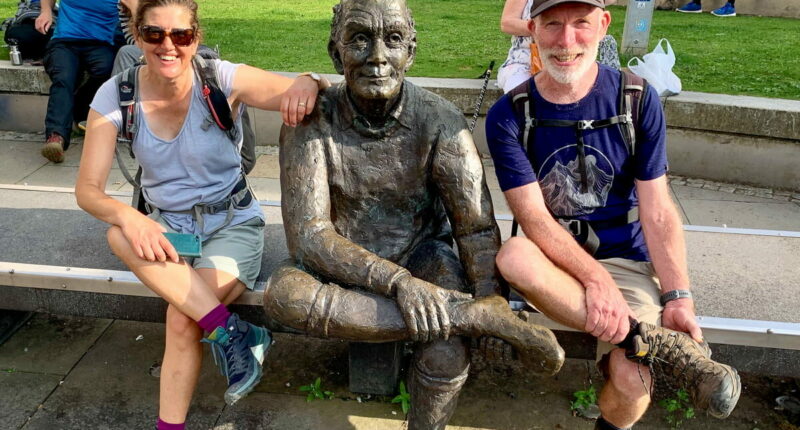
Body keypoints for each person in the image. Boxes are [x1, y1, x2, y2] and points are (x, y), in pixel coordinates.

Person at [263, 0, 565, 428]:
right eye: (360, 39)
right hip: (342, 266)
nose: (378, 57)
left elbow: (476, 228)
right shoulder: (310, 120)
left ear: (411, 51)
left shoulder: (441, 121)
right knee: (284, 295)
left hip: (423, 256)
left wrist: (488, 290)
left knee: (445, 350)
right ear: (336, 52)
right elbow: (310, 237)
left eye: (393, 39)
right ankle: (471, 317)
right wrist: (411, 288)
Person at [485, 1, 741, 429]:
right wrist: (595, 280)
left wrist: (678, 295)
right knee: (513, 256)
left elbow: (657, 210)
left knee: (633, 378)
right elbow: (535, 220)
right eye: (552, 25)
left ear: (603, 24)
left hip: (627, 257)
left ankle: (639, 349)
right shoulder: (509, 115)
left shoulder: (637, 98)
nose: (566, 42)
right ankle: (654, 344)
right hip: (553, 260)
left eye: (581, 24)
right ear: (531, 29)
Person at [74, 0, 325, 428]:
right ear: (137, 36)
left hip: (231, 224)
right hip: (169, 228)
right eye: (154, 34)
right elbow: (87, 190)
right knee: (118, 234)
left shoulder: (219, 78)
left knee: (181, 316)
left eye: (181, 35)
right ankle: (235, 333)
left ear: (196, 38)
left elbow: (294, 88)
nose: (167, 45)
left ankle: (179, 407)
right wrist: (131, 217)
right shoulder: (117, 93)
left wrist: (309, 79)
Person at [36, 0, 121, 164]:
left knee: (107, 71)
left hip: (101, 44)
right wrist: (45, 10)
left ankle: (79, 110)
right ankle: (56, 137)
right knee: (63, 77)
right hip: (64, 41)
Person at [497, 0, 535, 93]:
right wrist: (542, 28)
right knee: (521, 94)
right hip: (524, 61)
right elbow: (507, 23)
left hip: (569, 60)